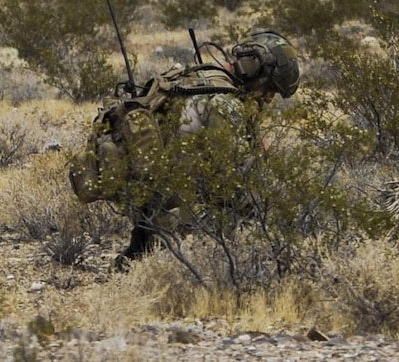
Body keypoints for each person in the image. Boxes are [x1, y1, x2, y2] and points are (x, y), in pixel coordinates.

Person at [69, 29, 302, 269]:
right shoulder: (223, 102)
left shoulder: (193, 80)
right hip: (180, 218)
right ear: (254, 69)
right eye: (270, 89)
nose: (269, 98)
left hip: (149, 208)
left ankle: (143, 244)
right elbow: (232, 178)